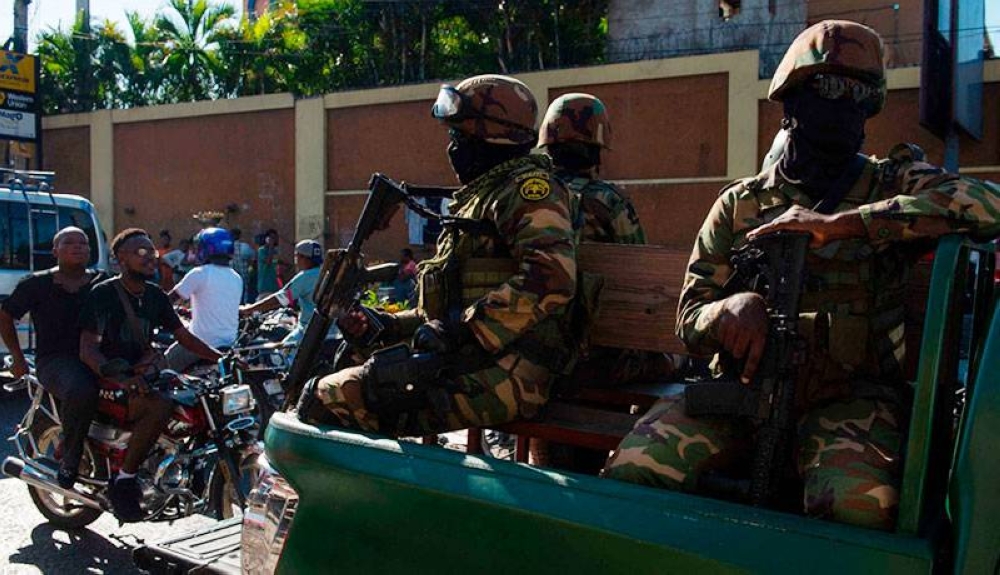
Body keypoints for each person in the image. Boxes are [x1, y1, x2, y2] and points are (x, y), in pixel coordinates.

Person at [602, 20, 1000, 531]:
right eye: (830, 88)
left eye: (862, 94)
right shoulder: (741, 203)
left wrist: (843, 226)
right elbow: (689, 316)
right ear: (791, 102)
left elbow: (987, 206)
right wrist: (730, 309)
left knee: (860, 511)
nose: (846, 105)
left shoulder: (888, 181)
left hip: (849, 397)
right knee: (633, 475)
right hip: (742, 391)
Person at [297, 74, 579, 436]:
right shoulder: (480, 196)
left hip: (517, 372)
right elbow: (444, 313)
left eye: (459, 136)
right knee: (347, 360)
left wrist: (462, 328)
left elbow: (553, 277)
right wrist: (386, 324)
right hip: (474, 359)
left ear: (489, 135)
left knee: (327, 398)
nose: (452, 147)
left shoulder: (526, 191)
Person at [79, 228, 223, 521]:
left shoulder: (155, 295)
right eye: (141, 253)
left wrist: (223, 359)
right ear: (121, 259)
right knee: (161, 404)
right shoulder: (103, 294)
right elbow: (88, 349)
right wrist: (120, 376)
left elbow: (185, 337)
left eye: (152, 253)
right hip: (109, 378)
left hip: (142, 374)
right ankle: (125, 479)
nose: (150, 259)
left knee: (194, 400)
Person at [0, 227, 105, 489]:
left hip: (98, 356)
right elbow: (5, 316)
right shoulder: (35, 284)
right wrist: (17, 356)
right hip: (56, 360)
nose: (78, 246)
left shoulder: (103, 281)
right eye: (69, 242)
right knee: (82, 390)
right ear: (55, 250)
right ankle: (71, 458)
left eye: (83, 243)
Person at [166, 227, 243, 372]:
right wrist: (190, 313)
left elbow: (167, 301)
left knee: (163, 367)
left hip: (201, 343)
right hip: (229, 344)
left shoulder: (200, 273)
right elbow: (217, 306)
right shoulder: (236, 277)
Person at [240, 239, 327, 345]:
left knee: (281, 353)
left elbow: (280, 299)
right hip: (330, 331)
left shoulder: (305, 277)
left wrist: (249, 309)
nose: (296, 259)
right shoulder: (326, 273)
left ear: (304, 258)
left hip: (308, 331)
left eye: (297, 256)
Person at [230, 228, 256, 303]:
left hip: (230, 276)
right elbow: (253, 258)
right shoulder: (245, 247)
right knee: (244, 292)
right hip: (243, 275)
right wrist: (250, 269)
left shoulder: (227, 248)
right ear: (240, 236)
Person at [256, 229, 279, 300]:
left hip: (274, 285)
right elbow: (268, 262)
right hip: (264, 285)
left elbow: (276, 262)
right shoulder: (261, 250)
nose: (273, 240)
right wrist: (271, 246)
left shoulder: (274, 251)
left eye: (274, 238)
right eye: (271, 238)